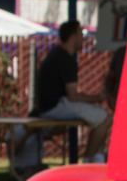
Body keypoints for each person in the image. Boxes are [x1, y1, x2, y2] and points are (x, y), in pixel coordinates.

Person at [29, 20, 110, 167]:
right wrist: (97, 98)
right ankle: (88, 162)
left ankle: (96, 158)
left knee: (101, 117)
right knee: (104, 118)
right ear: (72, 37)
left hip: (49, 106)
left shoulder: (56, 55)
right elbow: (73, 96)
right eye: (80, 34)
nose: (82, 38)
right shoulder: (65, 59)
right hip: (55, 107)